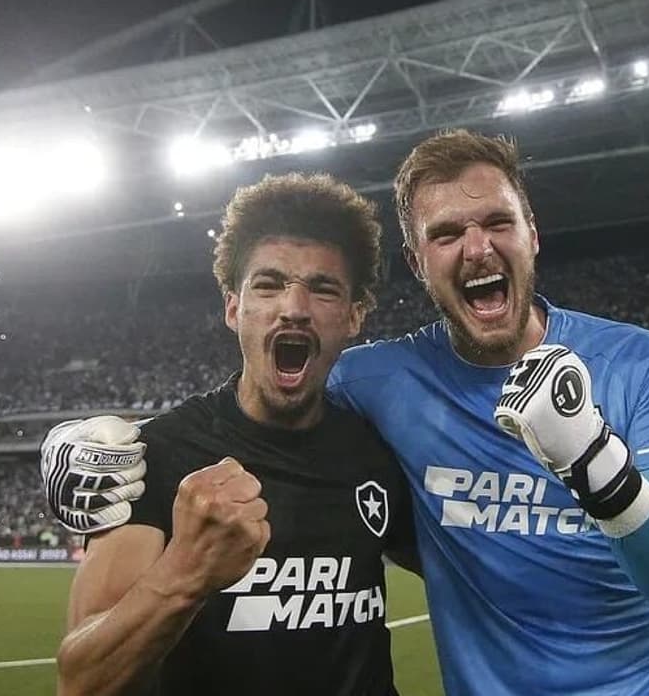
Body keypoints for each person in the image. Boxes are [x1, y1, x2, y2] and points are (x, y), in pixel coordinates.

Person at [44, 130, 649, 695]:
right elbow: (81, 676)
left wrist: (594, 459)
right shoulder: (371, 384)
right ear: (419, 262)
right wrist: (99, 440)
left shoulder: (640, 364)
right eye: (448, 232)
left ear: (532, 236)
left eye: (497, 222)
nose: (478, 247)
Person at [47, 173, 414, 696]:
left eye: (323, 288)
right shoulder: (158, 457)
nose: (294, 308)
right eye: (268, 285)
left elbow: (476, 568)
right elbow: (82, 681)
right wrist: (185, 573)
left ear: (354, 315)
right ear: (234, 307)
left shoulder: (377, 452)